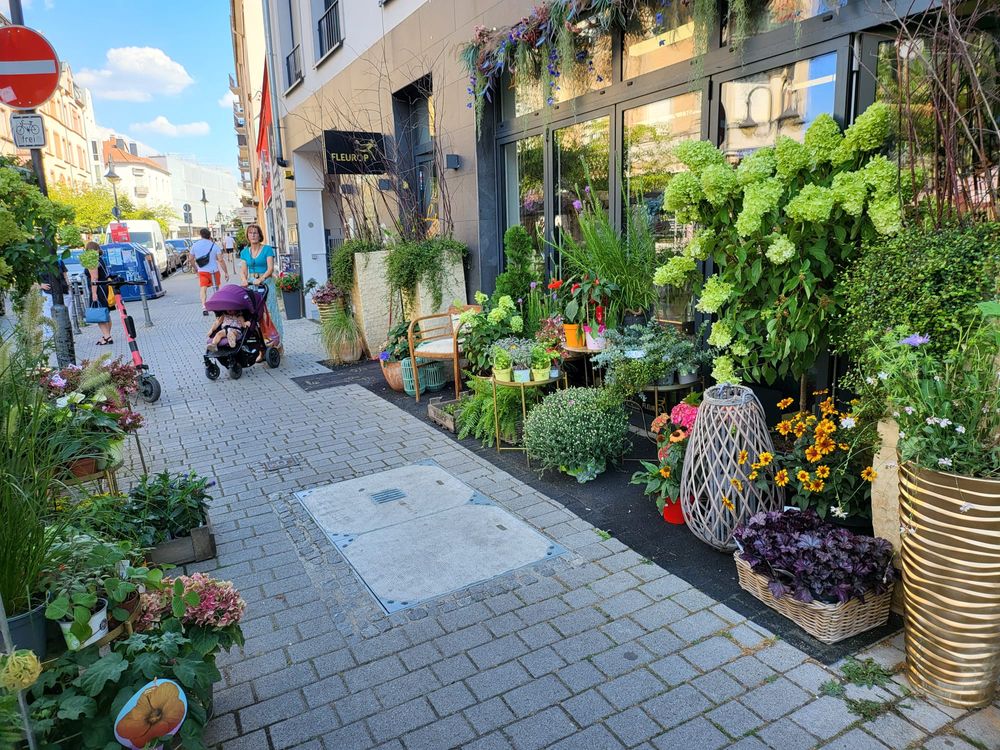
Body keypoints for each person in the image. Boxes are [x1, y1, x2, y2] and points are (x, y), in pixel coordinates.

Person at [239, 224, 284, 344]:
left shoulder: (267, 249)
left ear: (260, 235)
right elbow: (243, 270)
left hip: (266, 284)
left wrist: (262, 278)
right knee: (254, 313)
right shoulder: (244, 252)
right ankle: (261, 345)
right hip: (252, 284)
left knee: (269, 312)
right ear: (247, 236)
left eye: (255, 233)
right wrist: (244, 279)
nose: (253, 235)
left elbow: (270, 269)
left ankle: (277, 341)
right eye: (250, 233)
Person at [189, 227, 229, 315]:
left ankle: (204, 306)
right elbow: (221, 260)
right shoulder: (214, 245)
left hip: (202, 271)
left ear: (201, 235)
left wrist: (196, 268)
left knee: (203, 289)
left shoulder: (195, 245)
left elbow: (191, 259)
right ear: (209, 235)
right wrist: (226, 272)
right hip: (214, 270)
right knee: (216, 288)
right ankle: (218, 306)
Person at [85, 241, 115, 345]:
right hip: (105, 287)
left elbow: (94, 278)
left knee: (98, 313)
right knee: (105, 313)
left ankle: (107, 337)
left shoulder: (91, 261)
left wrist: (94, 293)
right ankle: (106, 336)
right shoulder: (100, 259)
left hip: (98, 289)